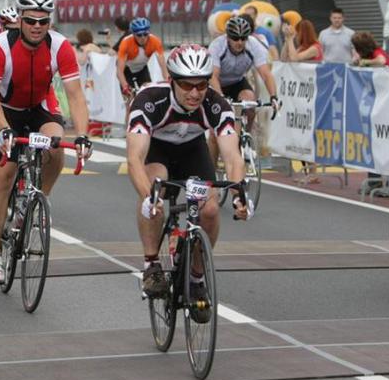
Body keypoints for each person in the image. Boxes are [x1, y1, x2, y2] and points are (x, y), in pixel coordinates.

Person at [0, 0, 93, 284]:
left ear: (50, 23)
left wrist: (83, 135)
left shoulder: (60, 46)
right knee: (4, 176)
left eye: (43, 21)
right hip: (6, 111)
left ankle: (40, 200)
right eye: (31, 20)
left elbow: (75, 95)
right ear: (19, 19)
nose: (37, 26)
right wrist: (4, 129)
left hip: (41, 106)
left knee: (56, 147)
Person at [126, 45, 248, 306]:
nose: (194, 93)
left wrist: (239, 193)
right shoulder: (149, 100)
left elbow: (232, 156)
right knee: (156, 186)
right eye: (186, 85)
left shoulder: (217, 104)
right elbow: (134, 159)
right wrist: (148, 196)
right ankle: (151, 264)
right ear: (172, 80)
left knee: (210, 210)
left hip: (193, 150)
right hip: (157, 149)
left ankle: (196, 277)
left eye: (201, 85)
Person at [208, 15, 280, 161]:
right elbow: (213, 76)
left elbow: (266, 74)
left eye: (243, 38)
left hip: (237, 82)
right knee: (214, 134)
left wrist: (274, 97)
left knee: (250, 101)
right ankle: (211, 168)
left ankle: (244, 140)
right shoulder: (217, 46)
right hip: (217, 84)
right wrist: (221, 98)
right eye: (235, 38)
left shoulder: (254, 45)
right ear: (228, 37)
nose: (240, 42)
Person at [116, 17, 168, 97]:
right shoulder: (126, 43)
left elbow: (163, 66)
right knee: (129, 97)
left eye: (145, 34)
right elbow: (119, 71)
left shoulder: (155, 41)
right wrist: (125, 86)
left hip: (142, 69)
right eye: (139, 35)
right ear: (133, 34)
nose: (143, 37)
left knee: (149, 94)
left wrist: (168, 81)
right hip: (127, 70)